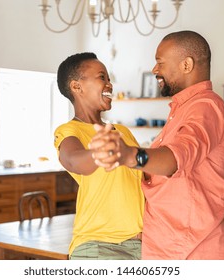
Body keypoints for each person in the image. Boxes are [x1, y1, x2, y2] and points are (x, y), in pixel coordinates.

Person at [89, 30, 224, 260]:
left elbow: (177, 158)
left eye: (160, 62)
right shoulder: (183, 109)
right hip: (167, 243)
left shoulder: (206, 107)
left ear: (186, 65)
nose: (154, 70)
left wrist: (129, 156)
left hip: (193, 250)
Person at [53, 52, 144, 260]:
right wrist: (101, 152)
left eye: (109, 79)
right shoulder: (69, 131)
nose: (109, 84)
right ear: (77, 87)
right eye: (102, 77)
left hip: (139, 244)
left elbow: (143, 179)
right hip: (98, 246)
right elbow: (73, 159)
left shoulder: (122, 132)